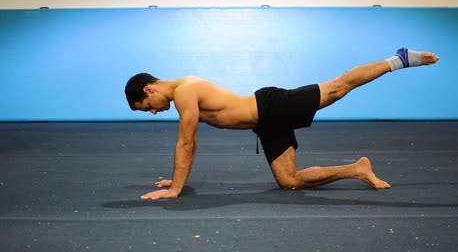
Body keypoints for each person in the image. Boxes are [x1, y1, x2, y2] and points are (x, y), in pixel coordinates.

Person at [125, 48, 439, 200]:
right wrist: (175, 179)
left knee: (338, 87)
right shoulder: (183, 91)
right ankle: (358, 168)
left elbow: (187, 142)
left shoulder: (184, 92)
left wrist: (177, 187)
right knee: (289, 182)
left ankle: (398, 60)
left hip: (271, 105)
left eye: (147, 108)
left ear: (149, 90)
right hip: (265, 123)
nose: (153, 112)